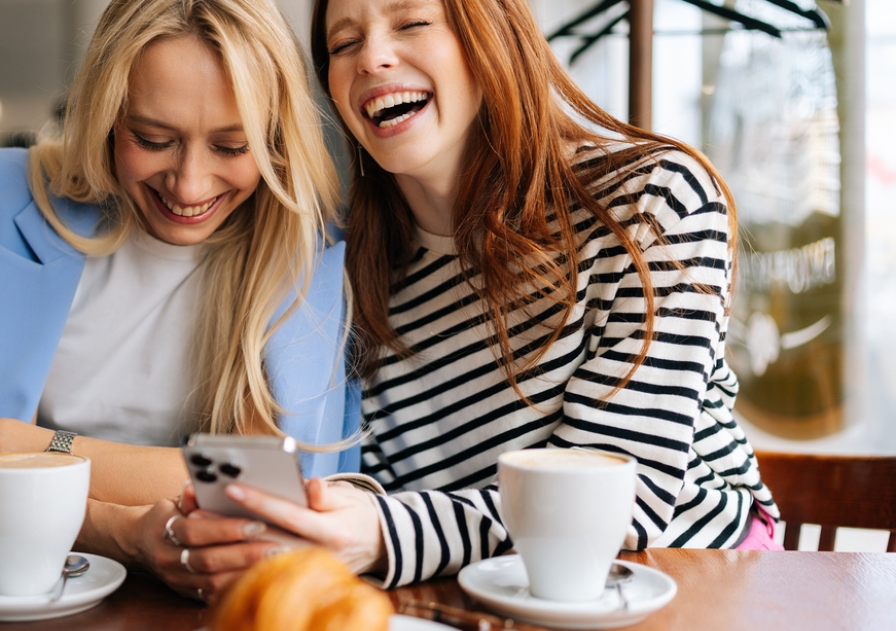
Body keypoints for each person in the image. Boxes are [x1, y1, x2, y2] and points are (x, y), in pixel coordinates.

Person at [180, 0, 782, 591]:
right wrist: (328, 515)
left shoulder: (652, 204)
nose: (372, 58)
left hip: (699, 576)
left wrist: (383, 534)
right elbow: (374, 481)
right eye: (343, 45)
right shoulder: (341, 266)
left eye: (412, 22)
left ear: (492, 33)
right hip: (474, 597)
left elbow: (620, 498)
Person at [0, 0, 360, 601]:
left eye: (231, 146)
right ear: (106, 112)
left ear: (276, 140)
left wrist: (25, 448)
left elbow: (262, 491)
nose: (190, 184)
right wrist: (119, 528)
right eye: (153, 139)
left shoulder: (310, 248)